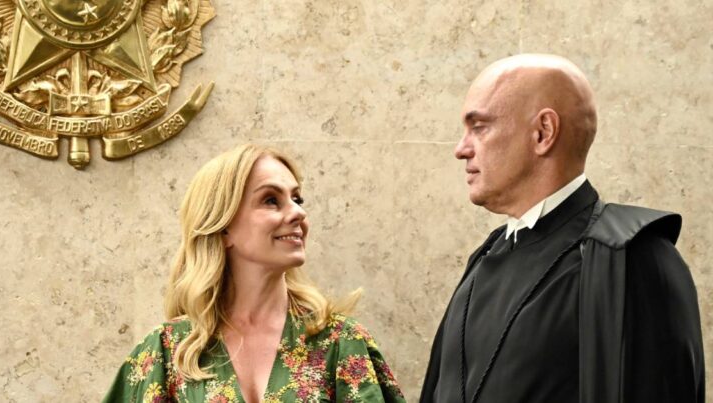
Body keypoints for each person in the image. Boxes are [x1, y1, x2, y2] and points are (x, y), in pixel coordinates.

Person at [421, 54, 705, 403]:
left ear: (543, 132)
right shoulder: (484, 258)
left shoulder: (631, 257)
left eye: (479, 127)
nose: (460, 149)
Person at [104, 144, 406, 402]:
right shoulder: (169, 351)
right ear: (223, 228)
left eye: (297, 199)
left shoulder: (341, 343)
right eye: (271, 200)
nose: (298, 212)